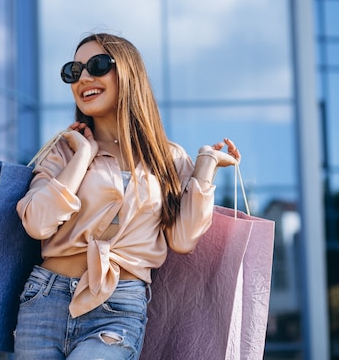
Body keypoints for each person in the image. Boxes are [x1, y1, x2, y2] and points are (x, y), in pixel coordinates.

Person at [14, 32, 241, 360]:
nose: (84, 78)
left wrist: (205, 166)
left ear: (128, 74)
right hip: (44, 300)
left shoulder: (168, 158)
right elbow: (37, 224)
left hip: (119, 307)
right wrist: (82, 156)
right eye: (74, 72)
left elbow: (182, 238)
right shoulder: (63, 150)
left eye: (98, 65)